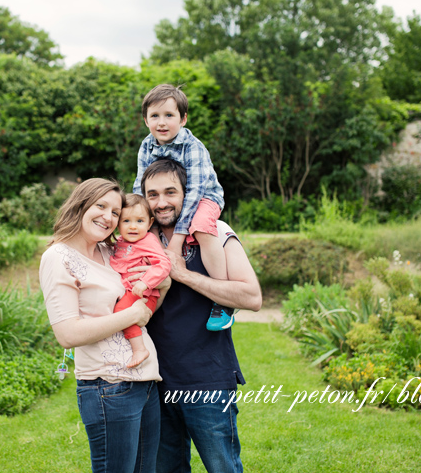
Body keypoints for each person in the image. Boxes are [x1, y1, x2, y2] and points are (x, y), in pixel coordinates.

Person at [38, 178, 169, 473]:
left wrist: (165, 284)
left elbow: (144, 307)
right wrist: (132, 315)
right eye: (101, 206)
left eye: (115, 212)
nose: (108, 218)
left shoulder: (112, 252)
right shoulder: (58, 257)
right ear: (80, 205)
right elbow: (67, 334)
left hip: (146, 379)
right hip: (108, 385)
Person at [141, 159, 263, 473]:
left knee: (222, 467)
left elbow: (252, 296)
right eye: (152, 194)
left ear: (188, 194)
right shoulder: (141, 240)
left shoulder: (214, 232)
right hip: (154, 382)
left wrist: (184, 275)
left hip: (207, 379)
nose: (162, 202)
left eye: (171, 192)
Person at [132, 83, 234, 331]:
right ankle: (142, 288)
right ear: (146, 120)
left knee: (201, 227)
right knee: (144, 229)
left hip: (204, 196)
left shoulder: (193, 146)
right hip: (168, 200)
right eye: (154, 116)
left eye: (169, 115)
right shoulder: (147, 146)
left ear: (183, 118)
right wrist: (137, 215)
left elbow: (196, 191)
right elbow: (140, 184)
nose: (162, 122)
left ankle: (222, 299)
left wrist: (178, 239)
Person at [110, 193, 172, 369]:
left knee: (121, 311)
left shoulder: (148, 241)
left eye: (139, 221)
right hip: (131, 291)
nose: (133, 227)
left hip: (145, 293)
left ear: (150, 223)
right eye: (126, 221)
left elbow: (163, 264)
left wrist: (145, 281)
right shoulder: (120, 242)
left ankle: (139, 349)